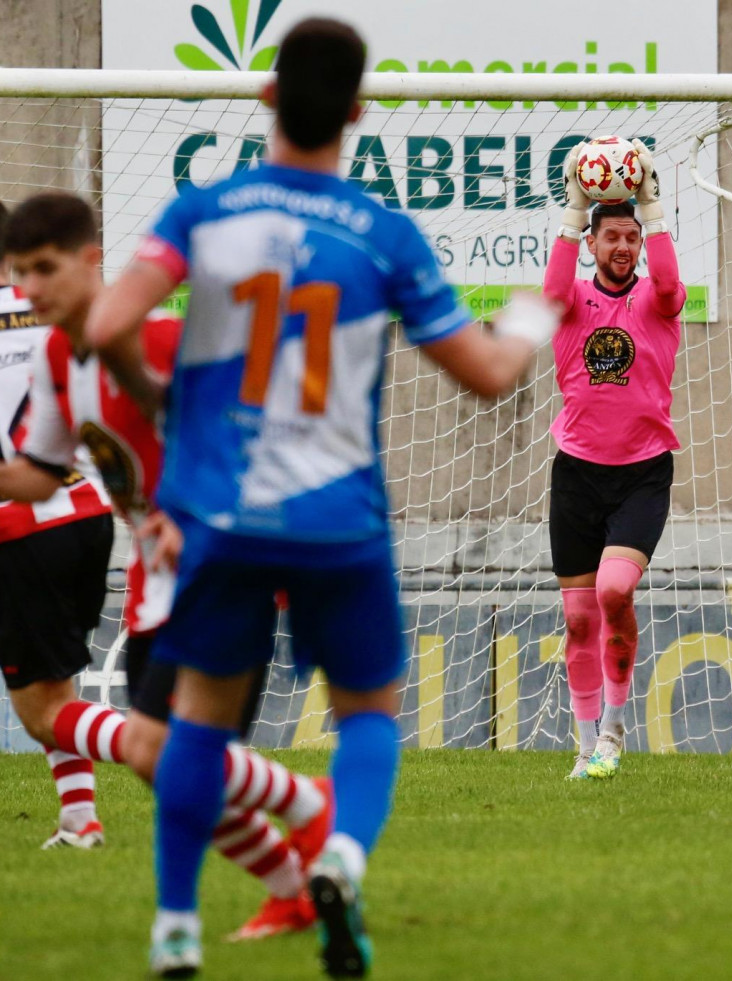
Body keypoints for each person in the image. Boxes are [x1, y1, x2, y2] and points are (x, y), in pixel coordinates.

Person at [85, 16, 559, 979]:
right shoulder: (382, 234)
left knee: (201, 719)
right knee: (369, 714)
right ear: (356, 113)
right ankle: (339, 857)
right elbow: (488, 375)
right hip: (339, 521)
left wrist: (157, 397)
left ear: (265, 98)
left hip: (224, 515)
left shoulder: (202, 210)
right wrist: (530, 315)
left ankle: (175, 929)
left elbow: (106, 319)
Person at [0, 191, 333, 942]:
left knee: (174, 758)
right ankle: (298, 858)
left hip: (227, 569)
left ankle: (306, 828)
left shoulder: (166, 341)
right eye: (20, 273)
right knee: (159, 760)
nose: (30, 291)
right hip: (157, 580)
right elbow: (39, 473)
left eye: (45, 269)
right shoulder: (57, 354)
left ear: (92, 261)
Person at [544, 141, 686, 781]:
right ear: (595, 244)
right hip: (576, 472)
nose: (623, 247)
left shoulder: (658, 301)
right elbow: (550, 288)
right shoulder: (572, 301)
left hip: (642, 473)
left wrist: (653, 208)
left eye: (631, 237)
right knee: (578, 620)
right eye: (613, 237)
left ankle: (614, 733)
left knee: (613, 591)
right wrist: (573, 212)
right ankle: (584, 748)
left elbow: (671, 280)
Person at [0, 198, 116, 849]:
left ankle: (173, 752)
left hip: (21, 524)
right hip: (89, 514)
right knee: (55, 686)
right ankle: (79, 818)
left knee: (42, 712)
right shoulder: (56, 316)